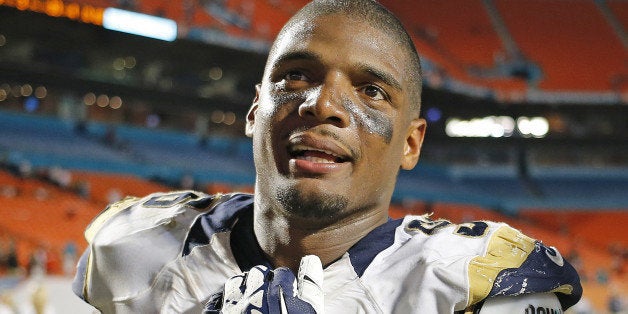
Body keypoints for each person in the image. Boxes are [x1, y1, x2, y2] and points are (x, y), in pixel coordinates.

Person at [72, 0, 582, 313]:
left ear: (411, 143)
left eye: (371, 92)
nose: (323, 104)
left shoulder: (477, 286)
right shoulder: (138, 246)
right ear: (255, 111)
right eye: (296, 76)